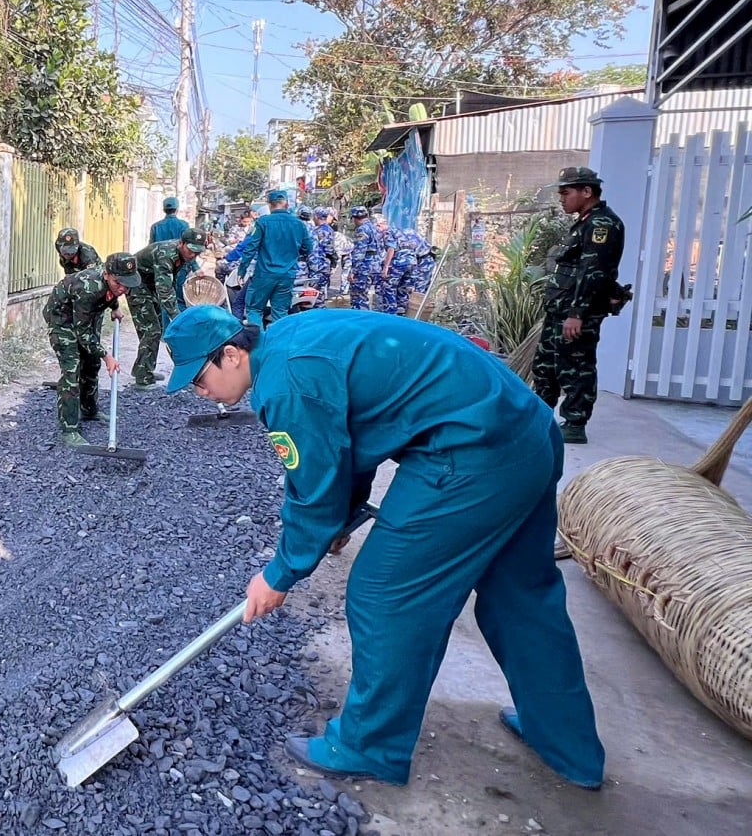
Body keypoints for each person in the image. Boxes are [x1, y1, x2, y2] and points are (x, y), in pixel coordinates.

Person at [161, 305, 605, 791]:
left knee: (385, 594)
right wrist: (342, 517)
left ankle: (371, 746)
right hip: (524, 430)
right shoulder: (289, 336)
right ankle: (567, 743)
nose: (199, 393)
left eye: (199, 379)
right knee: (521, 596)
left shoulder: (285, 383)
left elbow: (314, 485)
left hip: (471, 452)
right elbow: (353, 440)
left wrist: (281, 572)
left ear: (230, 354)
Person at [532, 166, 625, 445]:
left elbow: (592, 272)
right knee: (545, 364)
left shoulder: (601, 225)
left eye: (566, 192)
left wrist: (577, 314)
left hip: (576, 314)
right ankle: (538, 416)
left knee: (575, 366)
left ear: (587, 192)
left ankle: (574, 423)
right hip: (560, 310)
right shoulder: (584, 222)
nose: (562, 198)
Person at [43, 253, 141, 445]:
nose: (123, 288)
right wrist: (107, 356)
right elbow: (82, 333)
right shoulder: (88, 289)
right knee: (72, 370)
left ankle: (89, 410)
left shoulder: (110, 283)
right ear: (106, 274)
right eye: (118, 283)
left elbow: (110, 293)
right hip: (62, 320)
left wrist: (114, 307)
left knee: (91, 364)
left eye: (127, 284)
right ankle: (68, 429)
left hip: (82, 317)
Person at [127, 228, 206, 388]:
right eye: (190, 251)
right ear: (181, 244)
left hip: (149, 286)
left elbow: (171, 282)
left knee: (157, 328)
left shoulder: (185, 254)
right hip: (136, 285)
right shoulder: (165, 254)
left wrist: (196, 268)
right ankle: (142, 379)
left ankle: (144, 369)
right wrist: (178, 317)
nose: (192, 255)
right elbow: (165, 290)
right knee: (151, 331)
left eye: (196, 253)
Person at [236, 190, 314, 328]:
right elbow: (308, 248)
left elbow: (250, 248)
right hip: (287, 276)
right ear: (287, 204)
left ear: (270, 205)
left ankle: (258, 345)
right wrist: (292, 253)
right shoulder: (299, 224)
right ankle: (278, 346)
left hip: (264, 275)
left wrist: (241, 271)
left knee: (254, 310)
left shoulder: (262, 222)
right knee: (280, 312)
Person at [375, 222, 417, 315]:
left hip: (400, 261)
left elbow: (391, 248)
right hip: (412, 261)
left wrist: (386, 267)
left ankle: (391, 313)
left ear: (380, 225)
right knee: (403, 289)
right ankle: (401, 313)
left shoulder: (388, 232)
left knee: (388, 287)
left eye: (377, 227)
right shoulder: (401, 232)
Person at [347, 206, 378, 310]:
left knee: (358, 297)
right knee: (365, 295)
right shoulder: (375, 228)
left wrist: (353, 271)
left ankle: (360, 321)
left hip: (364, 267)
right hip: (375, 266)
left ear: (355, 218)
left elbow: (359, 253)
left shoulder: (362, 230)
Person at [309, 207, 336, 302]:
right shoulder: (330, 230)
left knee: (315, 296)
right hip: (326, 265)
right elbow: (331, 251)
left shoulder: (317, 231)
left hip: (317, 266)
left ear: (316, 216)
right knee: (321, 294)